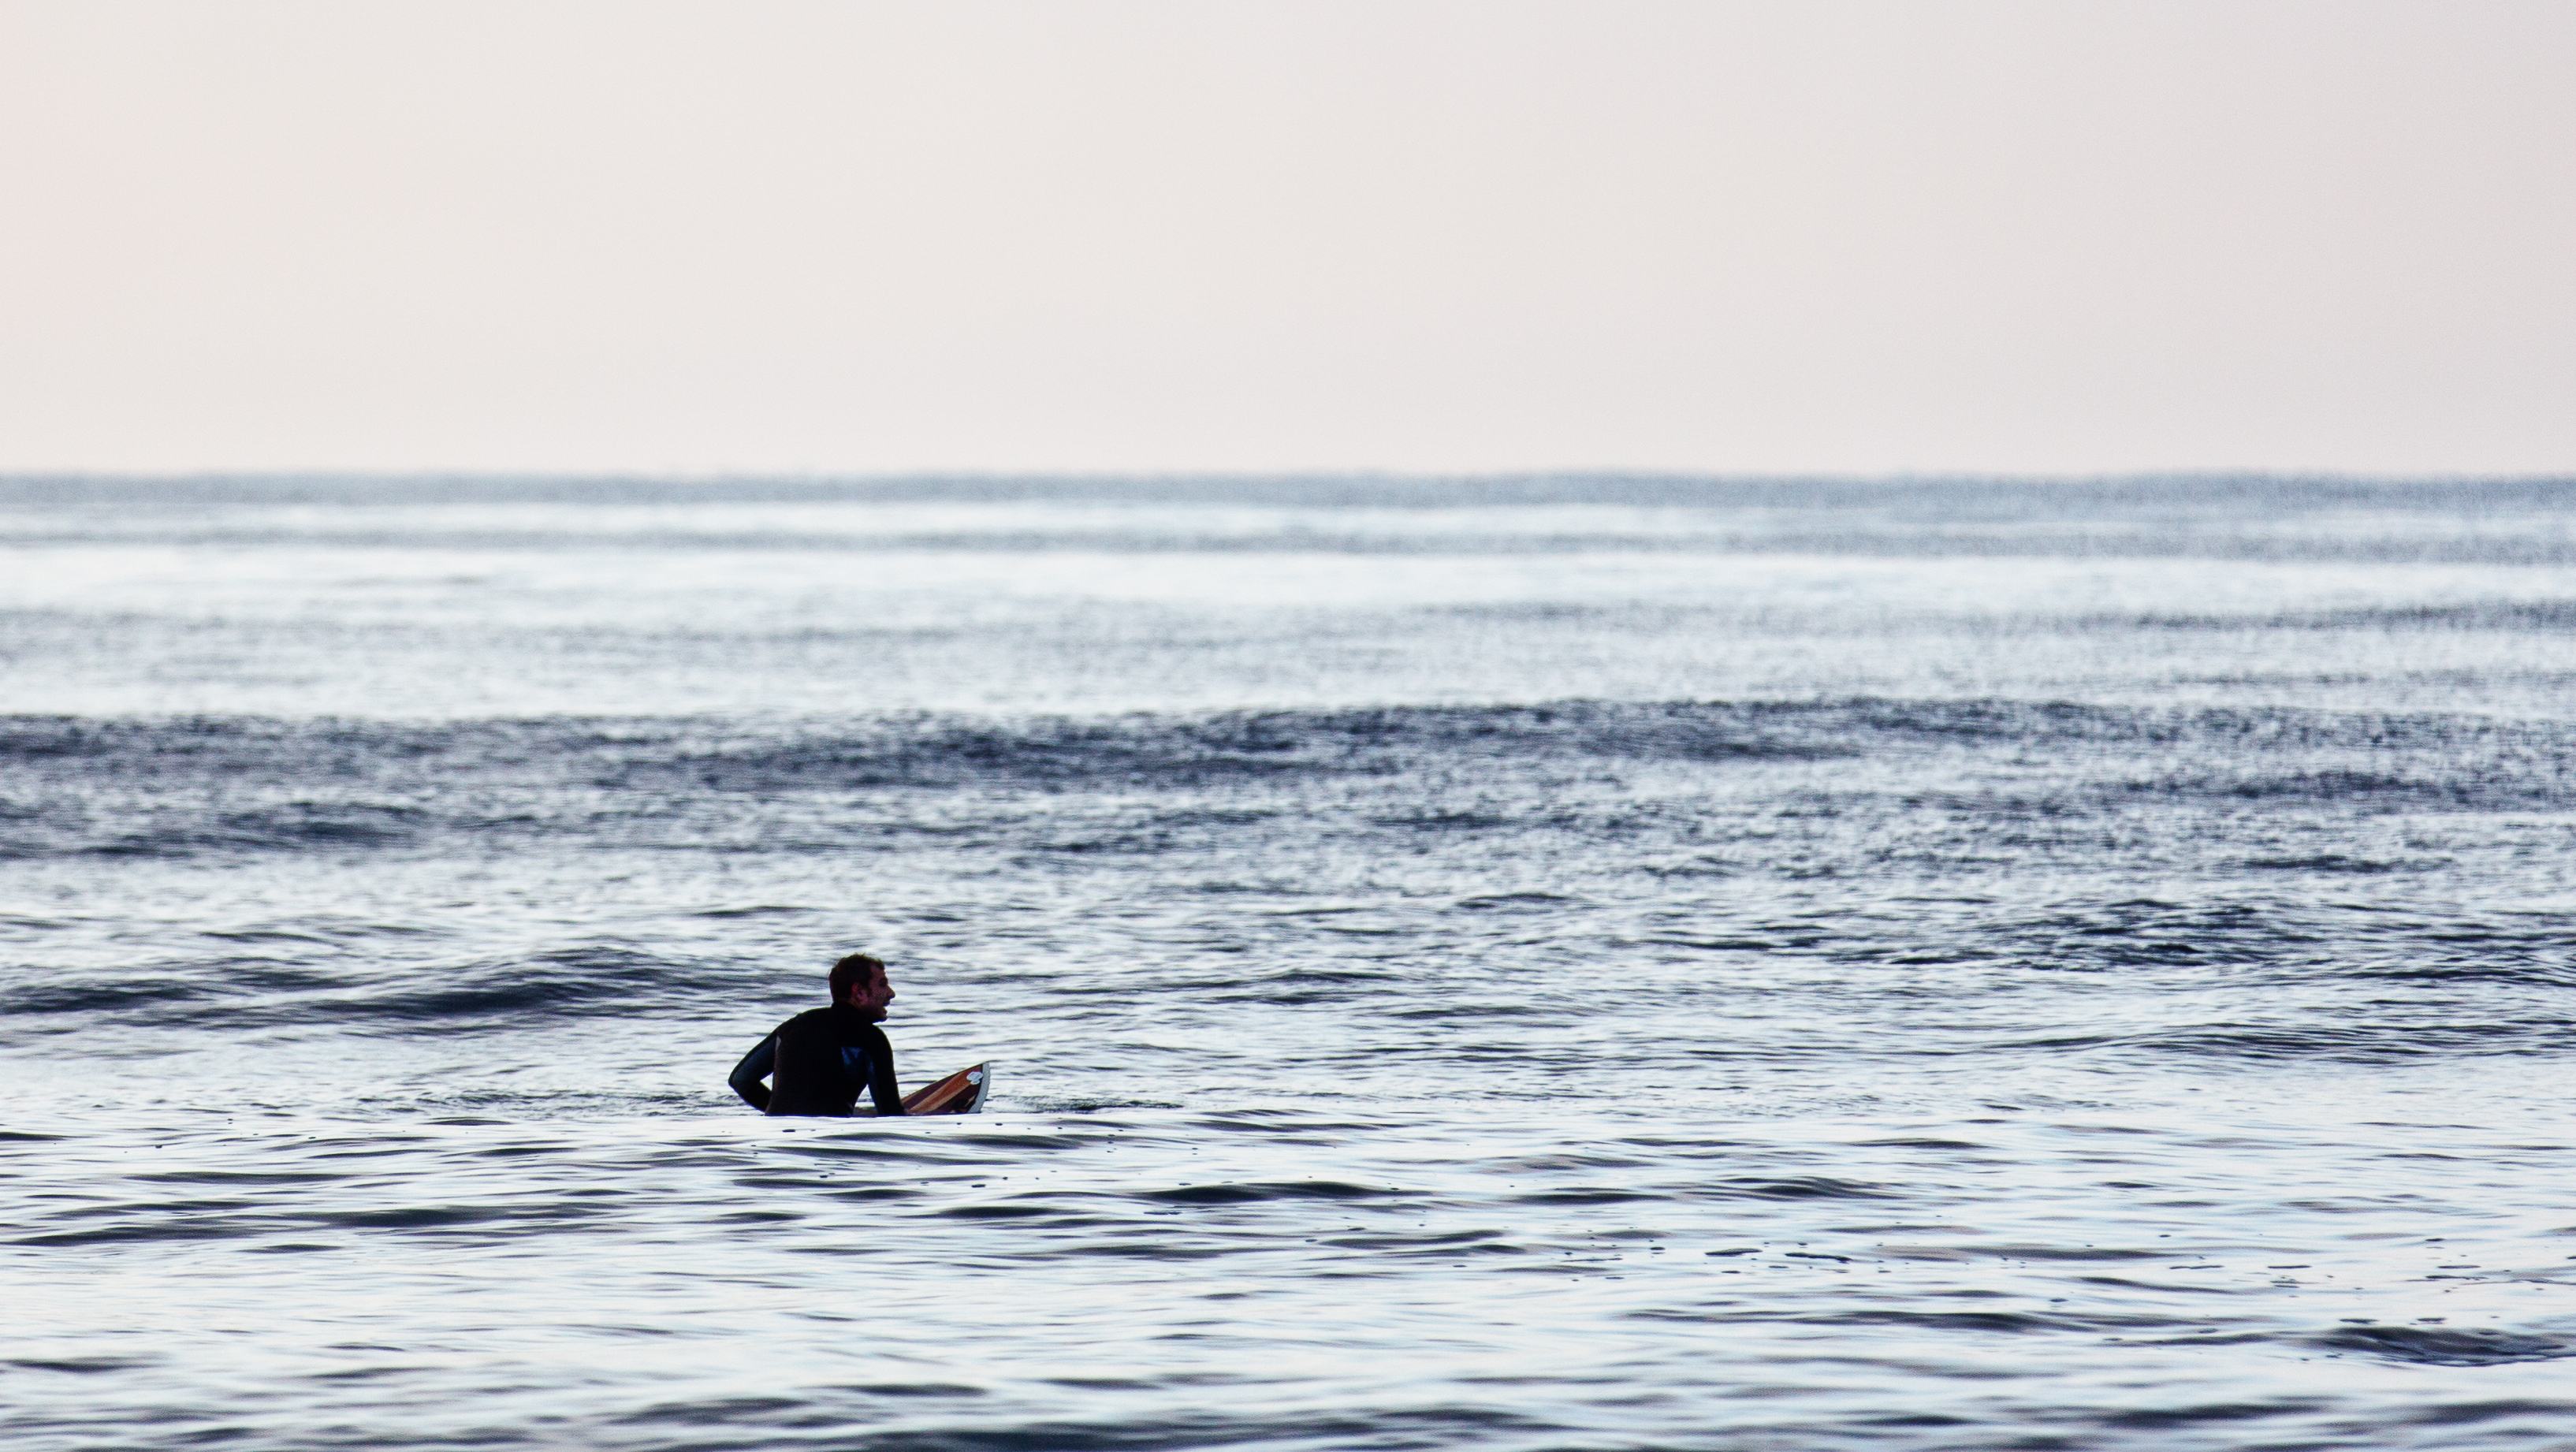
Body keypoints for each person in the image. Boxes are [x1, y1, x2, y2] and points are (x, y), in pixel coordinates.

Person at [728, 953, 906, 1116]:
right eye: (882, 984)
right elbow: (890, 1113)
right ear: (859, 992)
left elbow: (741, 1080)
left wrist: (781, 1112)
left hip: (777, 1139)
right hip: (830, 1141)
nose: (891, 993)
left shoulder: (794, 1025)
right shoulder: (871, 1038)